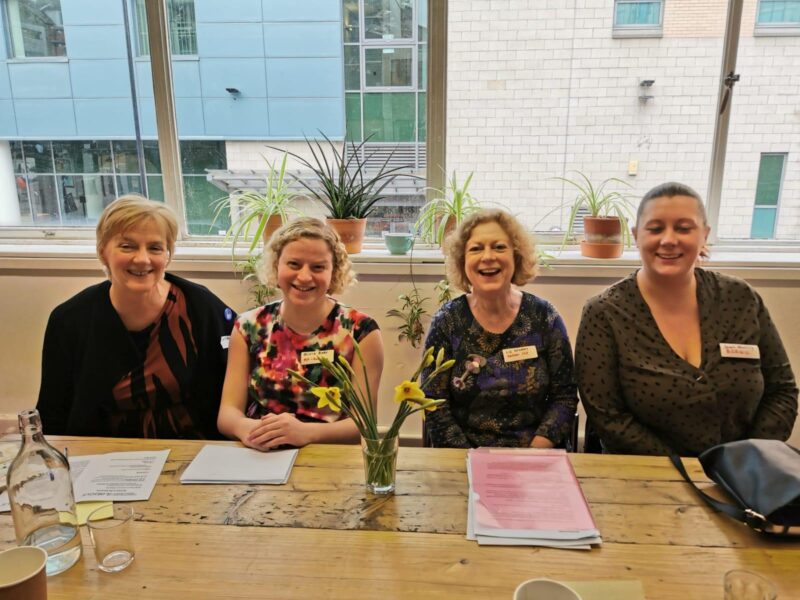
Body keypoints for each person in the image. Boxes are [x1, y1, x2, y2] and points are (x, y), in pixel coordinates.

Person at [576, 182, 798, 456]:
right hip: (646, 478)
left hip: (748, 477)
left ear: (704, 235)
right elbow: (608, 417)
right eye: (655, 228)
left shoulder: (741, 300)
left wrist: (745, 461)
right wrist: (687, 471)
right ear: (636, 235)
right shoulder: (604, 313)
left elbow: (782, 392)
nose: (669, 239)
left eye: (683, 228)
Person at [37, 196, 236, 439]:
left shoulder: (200, 308)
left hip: (193, 452)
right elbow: (52, 415)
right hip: (101, 456)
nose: (142, 259)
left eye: (155, 248)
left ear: (168, 256)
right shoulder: (68, 321)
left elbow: (237, 395)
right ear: (102, 253)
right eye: (127, 246)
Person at [217, 218, 384, 450]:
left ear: (334, 271)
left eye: (318, 267)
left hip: (330, 457)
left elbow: (363, 425)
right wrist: (247, 430)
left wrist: (304, 433)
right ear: (276, 266)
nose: (304, 277)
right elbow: (227, 414)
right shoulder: (248, 327)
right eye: (294, 264)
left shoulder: (361, 332)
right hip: (261, 453)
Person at [422, 209, 578, 448]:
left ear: (516, 257)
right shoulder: (447, 321)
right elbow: (433, 402)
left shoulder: (544, 317)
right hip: (463, 460)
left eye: (499, 247)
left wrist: (533, 454)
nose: (488, 257)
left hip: (534, 457)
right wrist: (472, 461)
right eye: (476, 248)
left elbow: (564, 398)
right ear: (462, 261)